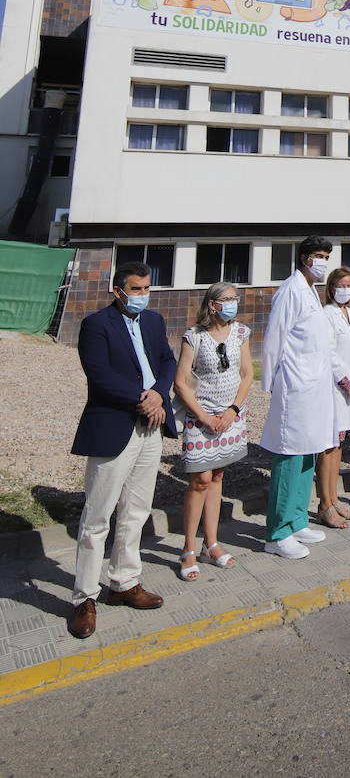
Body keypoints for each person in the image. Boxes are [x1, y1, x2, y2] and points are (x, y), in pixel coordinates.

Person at [67, 262, 178, 639]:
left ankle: (124, 583)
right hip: (116, 426)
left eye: (147, 289)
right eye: (136, 289)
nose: (143, 295)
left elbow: (166, 361)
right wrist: (142, 400)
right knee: (97, 517)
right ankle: (85, 596)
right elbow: (99, 375)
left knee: (136, 510)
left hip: (152, 425)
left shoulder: (153, 321)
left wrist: (160, 394)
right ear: (118, 291)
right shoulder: (96, 325)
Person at [260, 236, 334, 558]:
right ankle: (277, 533)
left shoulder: (312, 290)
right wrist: (270, 384)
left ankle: (297, 519)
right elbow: (274, 338)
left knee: (309, 452)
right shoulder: (290, 290)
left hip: (314, 387)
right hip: (294, 386)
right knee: (290, 455)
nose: (323, 262)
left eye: (327, 256)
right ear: (304, 257)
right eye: (318, 255)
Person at [174, 282, 253, 580]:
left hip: (230, 417)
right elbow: (181, 382)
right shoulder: (193, 337)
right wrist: (204, 416)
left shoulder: (241, 333)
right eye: (226, 299)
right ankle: (188, 548)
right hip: (201, 417)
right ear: (211, 304)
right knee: (200, 479)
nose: (232, 304)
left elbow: (246, 374)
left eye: (235, 298)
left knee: (218, 475)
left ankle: (212, 542)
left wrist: (232, 410)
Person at [317, 267, 350, 527]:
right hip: (335, 390)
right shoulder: (326, 314)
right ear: (331, 288)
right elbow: (329, 353)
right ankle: (324, 504)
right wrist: (347, 384)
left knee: (339, 448)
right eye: (341, 285)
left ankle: (334, 499)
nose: (346, 290)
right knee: (329, 446)